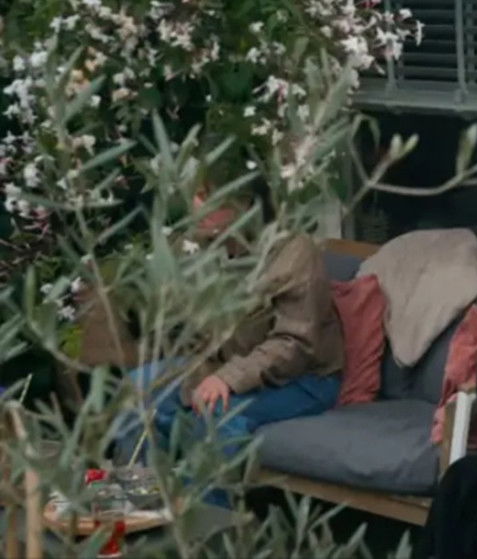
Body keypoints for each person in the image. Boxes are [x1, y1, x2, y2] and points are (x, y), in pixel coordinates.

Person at [113, 185, 344, 474]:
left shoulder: (293, 251)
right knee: (138, 388)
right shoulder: (197, 245)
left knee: (215, 416)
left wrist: (228, 378)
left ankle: (205, 504)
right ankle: (137, 494)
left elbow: (295, 343)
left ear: (245, 202)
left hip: (302, 379)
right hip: (218, 362)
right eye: (196, 192)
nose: (197, 204)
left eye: (208, 194)